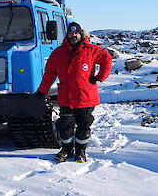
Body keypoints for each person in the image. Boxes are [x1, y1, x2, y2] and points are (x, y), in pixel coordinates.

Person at [34, 22, 112, 162]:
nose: (73, 35)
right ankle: (67, 150)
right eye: (71, 33)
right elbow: (49, 74)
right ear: (67, 35)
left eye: (76, 33)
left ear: (81, 34)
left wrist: (99, 77)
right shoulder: (58, 53)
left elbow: (107, 59)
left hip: (85, 96)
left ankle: (81, 152)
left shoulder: (92, 50)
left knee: (84, 125)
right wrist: (42, 91)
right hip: (66, 97)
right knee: (65, 125)